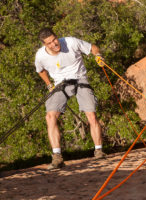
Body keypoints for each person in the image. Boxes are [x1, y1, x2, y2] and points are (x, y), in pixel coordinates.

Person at [35, 27, 106, 169]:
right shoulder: (40, 56)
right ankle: (57, 156)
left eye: (54, 39)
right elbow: (40, 70)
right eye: (49, 43)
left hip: (80, 79)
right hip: (60, 84)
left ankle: (98, 150)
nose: (54, 44)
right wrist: (49, 84)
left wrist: (98, 55)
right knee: (50, 116)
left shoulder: (71, 42)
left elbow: (92, 47)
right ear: (44, 45)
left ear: (57, 36)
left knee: (91, 114)